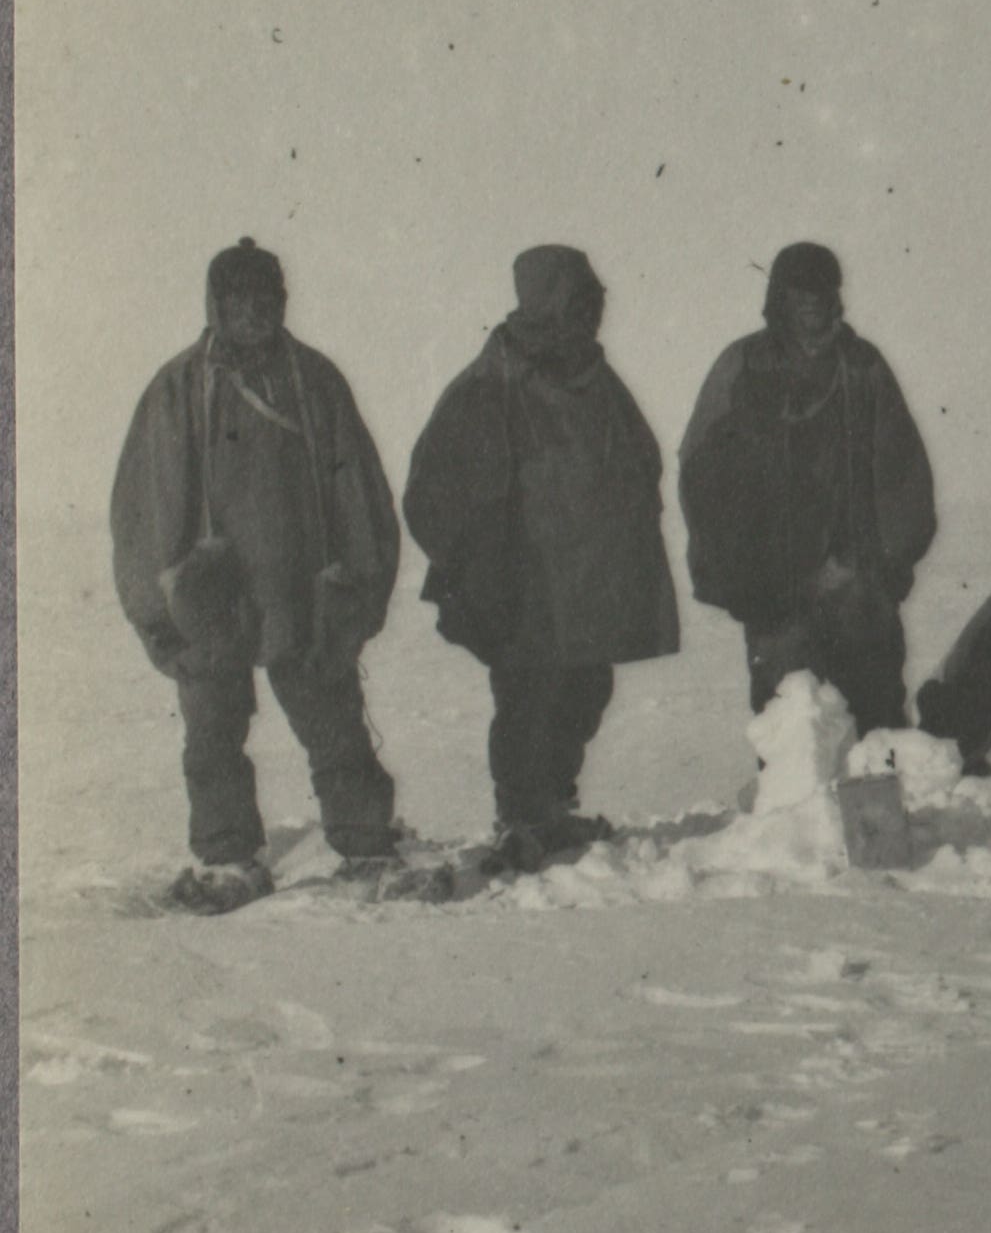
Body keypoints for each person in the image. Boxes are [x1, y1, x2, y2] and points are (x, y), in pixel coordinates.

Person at [109, 239, 406, 911]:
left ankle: (365, 845)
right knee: (212, 734)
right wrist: (160, 612)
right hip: (210, 600)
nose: (253, 312)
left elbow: (357, 489)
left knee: (334, 724)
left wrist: (356, 588)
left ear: (283, 300)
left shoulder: (315, 381)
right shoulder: (178, 389)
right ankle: (228, 858)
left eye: (265, 297)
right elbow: (144, 507)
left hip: (302, 592)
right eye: (238, 299)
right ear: (216, 304)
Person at [403, 246, 682, 871]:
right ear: (544, 306)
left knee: (585, 690)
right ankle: (522, 816)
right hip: (523, 586)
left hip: (589, 580)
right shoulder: (488, 387)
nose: (590, 318)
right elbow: (430, 495)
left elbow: (641, 458)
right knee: (528, 700)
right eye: (576, 306)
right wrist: (478, 566)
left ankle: (550, 807)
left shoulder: (597, 380)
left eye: (592, 305)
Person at [677, 242, 938, 734]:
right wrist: (738, 575)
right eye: (800, 291)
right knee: (791, 727)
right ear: (780, 296)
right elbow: (702, 476)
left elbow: (902, 470)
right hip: (774, 588)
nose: (812, 301)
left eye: (822, 288)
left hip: (855, 581)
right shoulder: (742, 366)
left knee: (877, 719)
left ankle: (874, 786)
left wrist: (886, 564)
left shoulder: (862, 367)